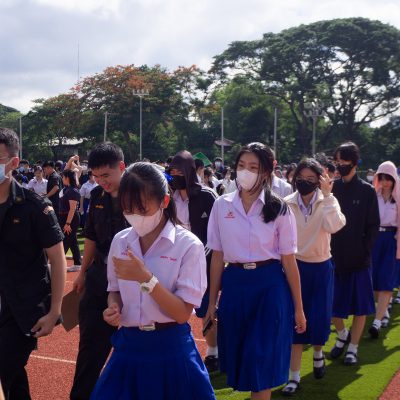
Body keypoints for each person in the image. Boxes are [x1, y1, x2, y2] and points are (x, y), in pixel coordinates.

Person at [90, 162, 216, 400]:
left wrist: (145, 278)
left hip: (171, 348)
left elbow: (182, 313)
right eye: (127, 208)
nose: (134, 216)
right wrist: (113, 307)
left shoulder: (188, 245)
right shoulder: (121, 241)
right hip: (129, 346)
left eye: (141, 208)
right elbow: (114, 289)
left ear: (164, 201)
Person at [206, 142, 306, 400]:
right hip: (235, 284)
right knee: (240, 354)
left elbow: (289, 261)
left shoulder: (279, 208)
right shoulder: (221, 205)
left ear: (266, 172)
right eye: (241, 165)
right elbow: (217, 256)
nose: (246, 171)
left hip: (270, 286)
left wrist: (298, 307)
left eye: (253, 167)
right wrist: (211, 303)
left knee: (261, 360)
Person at [0, 127, 66, 400]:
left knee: (3, 372)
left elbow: (58, 260)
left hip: (22, 311)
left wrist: (55, 311)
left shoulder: (34, 207)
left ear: (14, 162)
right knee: (14, 381)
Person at [282, 159, 346, 395]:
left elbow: (334, 226)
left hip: (321, 266)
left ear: (320, 180)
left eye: (311, 179)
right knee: (295, 322)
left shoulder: (327, 200)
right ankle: (294, 377)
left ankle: (318, 354)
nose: (305, 182)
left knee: (319, 318)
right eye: (301, 178)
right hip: (295, 266)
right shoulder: (287, 203)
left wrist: (328, 196)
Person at [70, 142, 129, 400]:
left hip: (133, 281)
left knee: (134, 351)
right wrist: (82, 273)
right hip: (99, 277)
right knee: (90, 349)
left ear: (121, 167)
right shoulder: (96, 196)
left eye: (106, 175)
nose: (101, 181)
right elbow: (92, 237)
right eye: (96, 176)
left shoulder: (141, 195)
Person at [329, 142, 380, 365]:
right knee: (331, 305)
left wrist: (365, 250)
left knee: (361, 308)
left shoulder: (367, 191)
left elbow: (373, 226)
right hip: (334, 258)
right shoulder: (332, 189)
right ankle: (342, 335)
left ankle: (353, 348)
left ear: (355, 162)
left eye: (344, 161)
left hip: (359, 260)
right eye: (337, 161)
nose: (340, 165)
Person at [169, 150, 219, 372]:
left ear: (190, 171)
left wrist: (201, 252)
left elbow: (218, 231)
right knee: (177, 305)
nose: (175, 176)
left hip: (205, 263)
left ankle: (214, 351)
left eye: (180, 172)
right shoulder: (169, 198)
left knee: (207, 307)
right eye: (172, 172)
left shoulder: (207, 196)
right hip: (176, 262)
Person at [369, 161, 400, 337]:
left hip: (391, 240)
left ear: (394, 179)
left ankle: (377, 321)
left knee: (387, 280)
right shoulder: (373, 196)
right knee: (373, 280)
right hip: (375, 239)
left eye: (389, 178)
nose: (386, 182)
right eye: (382, 178)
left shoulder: (398, 198)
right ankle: (383, 311)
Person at [60, 169, 82, 272]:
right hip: (66, 217)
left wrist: (68, 223)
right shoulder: (67, 189)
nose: (62, 179)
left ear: (67, 178)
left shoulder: (72, 190)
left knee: (65, 241)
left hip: (71, 219)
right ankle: (77, 263)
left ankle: (57, 264)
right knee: (73, 241)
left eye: (63, 177)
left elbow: (72, 209)